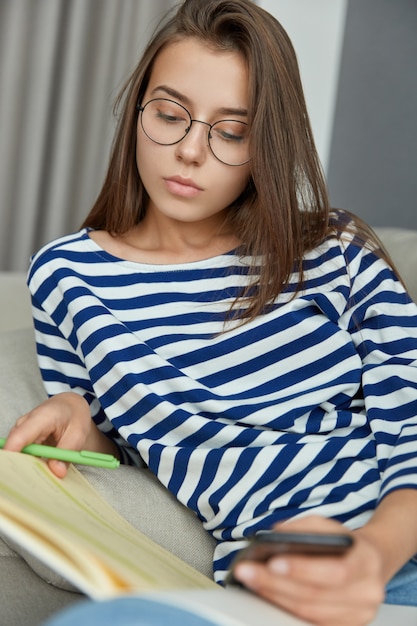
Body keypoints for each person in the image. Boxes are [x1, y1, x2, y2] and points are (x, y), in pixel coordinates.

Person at [3, 0, 417, 624]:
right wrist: (82, 419)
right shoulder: (67, 277)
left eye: (231, 132)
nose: (191, 151)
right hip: (271, 576)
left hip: (391, 557)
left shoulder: (334, 249)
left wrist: (375, 554)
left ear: (264, 147)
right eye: (170, 115)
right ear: (137, 110)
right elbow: (139, 444)